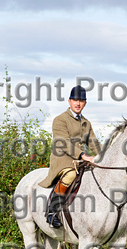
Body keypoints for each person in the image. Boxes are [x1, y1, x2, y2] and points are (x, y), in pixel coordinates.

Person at [39, 85, 101, 228]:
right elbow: (63, 142)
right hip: (62, 159)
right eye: (75, 100)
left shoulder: (86, 123)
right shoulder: (60, 119)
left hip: (80, 160)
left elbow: (94, 143)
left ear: (85, 103)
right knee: (70, 175)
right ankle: (52, 212)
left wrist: (104, 158)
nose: (78, 103)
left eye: (81, 100)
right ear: (69, 101)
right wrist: (82, 155)